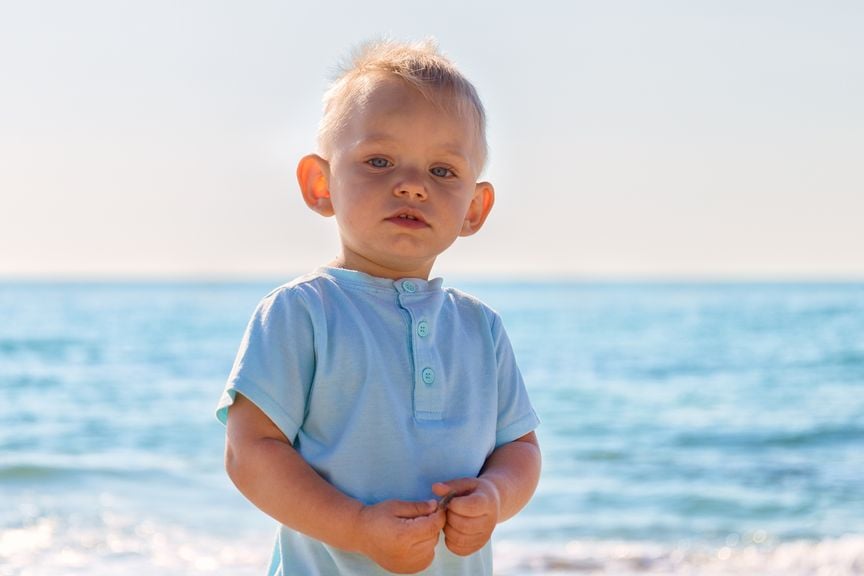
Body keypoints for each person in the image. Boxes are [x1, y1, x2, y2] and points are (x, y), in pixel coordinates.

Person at [216, 39, 541, 575]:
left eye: (442, 171)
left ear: (474, 208)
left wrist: (496, 497)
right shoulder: (302, 312)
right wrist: (356, 528)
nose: (411, 185)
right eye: (379, 161)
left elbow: (521, 450)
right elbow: (250, 453)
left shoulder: (480, 328)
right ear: (321, 184)